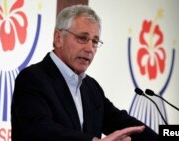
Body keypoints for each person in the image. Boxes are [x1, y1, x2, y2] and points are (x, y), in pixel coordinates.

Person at [11, 4, 159, 141]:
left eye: (95, 41)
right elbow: (41, 130)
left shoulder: (91, 88)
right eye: (82, 38)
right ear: (58, 38)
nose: (90, 49)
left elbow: (123, 123)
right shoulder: (32, 78)